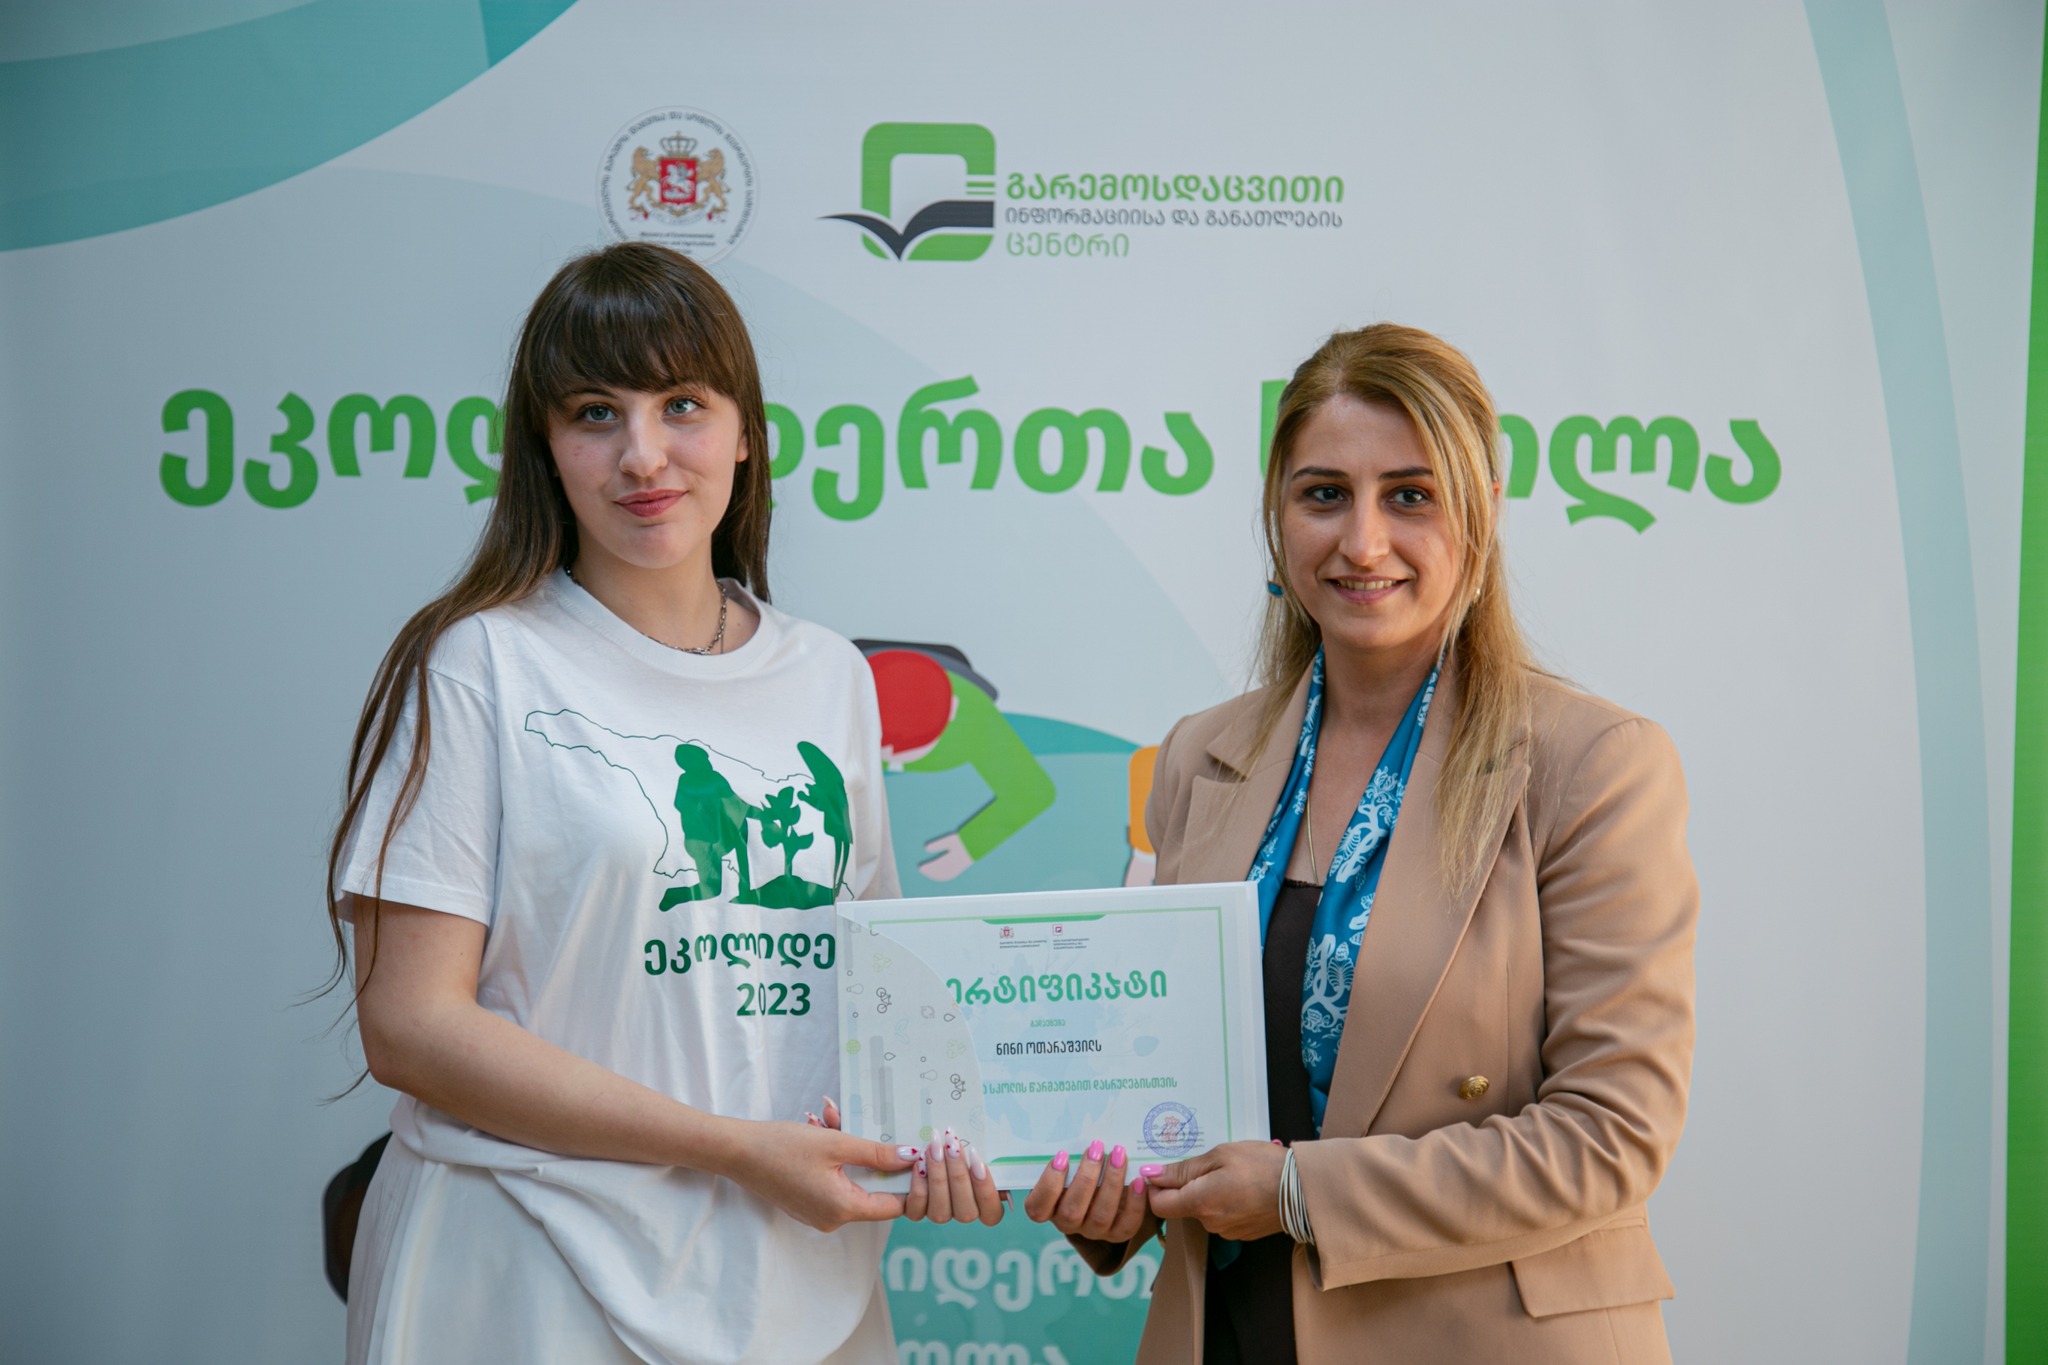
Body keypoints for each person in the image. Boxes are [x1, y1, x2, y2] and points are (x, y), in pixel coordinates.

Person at [328, 242, 1000, 1365]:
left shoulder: (829, 674)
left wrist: (958, 1126)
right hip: (531, 1267)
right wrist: (732, 1145)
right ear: (546, 448)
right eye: (595, 413)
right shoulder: (482, 664)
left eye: (682, 404)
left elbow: (876, 993)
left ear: (745, 433)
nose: (642, 455)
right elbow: (409, 1024)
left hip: (798, 1275)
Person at [1023, 323, 1696, 1363]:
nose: (1363, 541)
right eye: (1324, 494)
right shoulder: (1201, 755)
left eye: (1410, 496)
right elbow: (1166, 1092)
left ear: (1479, 514)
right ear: (1276, 515)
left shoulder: (1592, 763)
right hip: (1233, 1332)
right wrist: (1109, 1195)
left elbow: (1612, 1135)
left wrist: (1300, 1192)